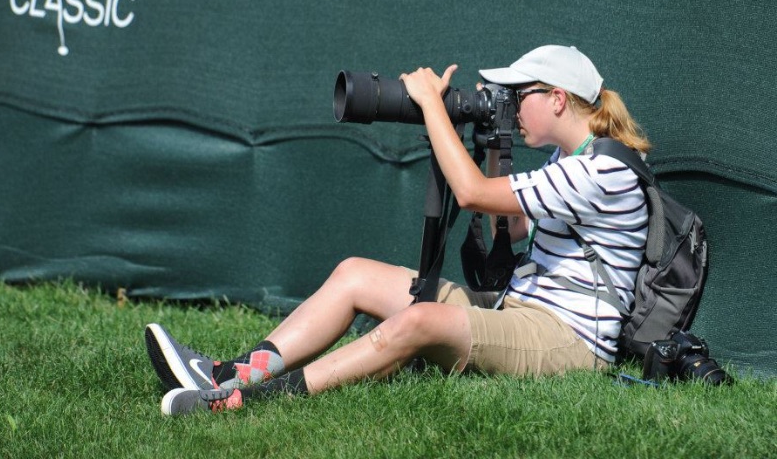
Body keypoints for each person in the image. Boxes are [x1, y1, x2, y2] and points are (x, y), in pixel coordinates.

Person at [146, 44, 652, 415]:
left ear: (558, 99)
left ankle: (241, 402)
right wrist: (495, 142)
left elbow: (474, 194)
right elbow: (509, 228)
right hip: (520, 312)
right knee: (354, 275)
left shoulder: (604, 170)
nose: (512, 105)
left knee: (418, 321)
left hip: (568, 341)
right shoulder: (571, 159)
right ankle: (228, 373)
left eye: (519, 95)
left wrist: (433, 106)